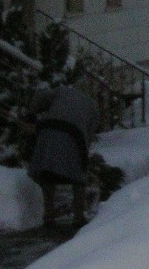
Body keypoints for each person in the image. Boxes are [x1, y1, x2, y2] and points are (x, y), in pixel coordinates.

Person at [27, 83, 98, 229]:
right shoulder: (92, 106)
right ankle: (78, 217)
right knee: (78, 177)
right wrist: (84, 153)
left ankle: (49, 217)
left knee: (48, 174)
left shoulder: (62, 91)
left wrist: (32, 110)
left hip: (48, 129)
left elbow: (39, 99)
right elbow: (89, 135)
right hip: (74, 135)